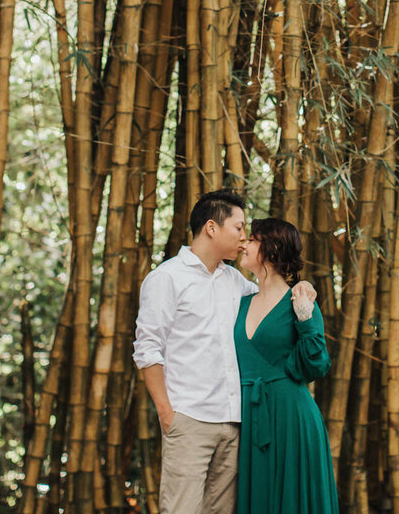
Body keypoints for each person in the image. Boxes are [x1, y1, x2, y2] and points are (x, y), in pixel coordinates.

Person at [133, 190, 316, 514]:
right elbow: (147, 348)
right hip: (189, 419)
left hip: (236, 421)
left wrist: (301, 287)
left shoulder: (236, 282)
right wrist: (167, 413)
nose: (244, 239)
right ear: (212, 228)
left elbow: (273, 304)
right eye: (239, 228)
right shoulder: (167, 278)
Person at [233, 217, 338, 514]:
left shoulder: (300, 299)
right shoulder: (240, 300)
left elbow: (316, 365)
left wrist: (305, 320)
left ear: (273, 248)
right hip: (250, 418)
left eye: (252, 239)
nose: (245, 243)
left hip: (292, 417)